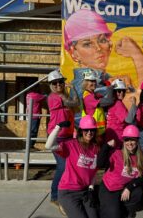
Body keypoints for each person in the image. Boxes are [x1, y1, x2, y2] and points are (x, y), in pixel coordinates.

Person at [64, 9, 143, 102]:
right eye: (87, 44)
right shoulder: (84, 83)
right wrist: (137, 56)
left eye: (102, 40)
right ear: (73, 53)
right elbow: (142, 102)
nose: (98, 48)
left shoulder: (103, 78)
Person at [45, 115, 115, 218]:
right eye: (86, 130)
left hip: (85, 191)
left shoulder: (96, 148)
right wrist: (58, 127)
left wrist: (91, 188)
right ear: (81, 131)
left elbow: (93, 172)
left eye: (92, 130)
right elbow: (48, 146)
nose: (89, 133)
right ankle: (66, 206)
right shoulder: (72, 144)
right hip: (68, 192)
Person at [99, 125, 143, 218]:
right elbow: (100, 164)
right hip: (110, 188)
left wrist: (129, 187)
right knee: (113, 215)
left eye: (133, 139)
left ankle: (125, 209)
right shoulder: (117, 153)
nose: (130, 143)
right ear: (123, 141)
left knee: (138, 193)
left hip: (124, 187)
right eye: (127, 140)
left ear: (137, 140)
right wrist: (106, 146)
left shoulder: (142, 156)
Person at [47, 70, 79, 206]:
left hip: (67, 136)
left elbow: (76, 104)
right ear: (51, 85)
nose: (58, 84)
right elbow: (74, 103)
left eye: (61, 82)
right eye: (55, 83)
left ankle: (66, 189)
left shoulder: (64, 96)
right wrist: (73, 89)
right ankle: (54, 195)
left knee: (70, 165)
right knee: (63, 166)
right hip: (57, 137)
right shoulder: (54, 96)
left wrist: (73, 89)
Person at [105, 79, 137, 148]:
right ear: (113, 92)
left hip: (110, 136)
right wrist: (134, 104)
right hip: (117, 138)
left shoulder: (111, 103)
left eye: (123, 91)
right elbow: (129, 120)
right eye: (119, 91)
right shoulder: (118, 104)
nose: (122, 93)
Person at [81, 70, 114, 138]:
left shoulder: (94, 95)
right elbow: (109, 101)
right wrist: (110, 87)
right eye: (91, 81)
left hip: (97, 131)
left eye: (95, 81)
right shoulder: (89, 97)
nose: (94, 83)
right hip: (93, 133)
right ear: (85, 83)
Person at [26, 85, 46, 149]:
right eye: (37, 87)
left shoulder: (28, 95)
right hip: (35, 116)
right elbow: (45, 97)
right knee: (34, 131)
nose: (38, 88)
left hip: (30, 115)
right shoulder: (35, 95)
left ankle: (30, 146)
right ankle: (30, 146)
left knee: (31, 131)